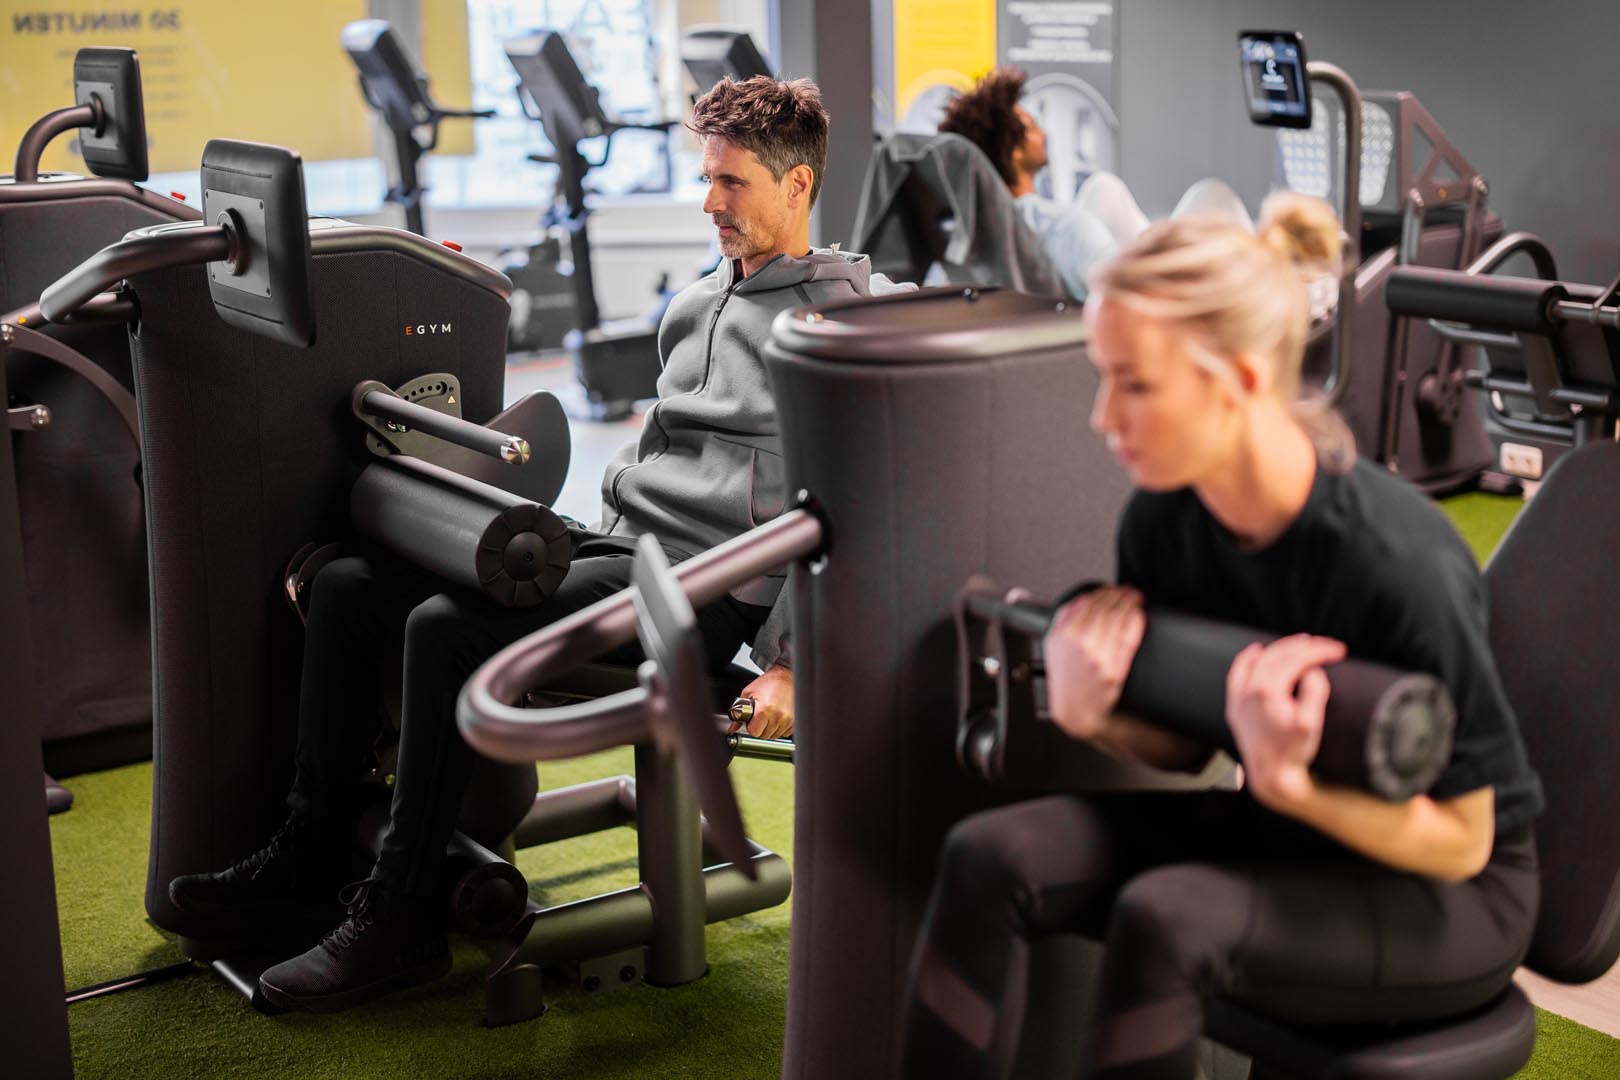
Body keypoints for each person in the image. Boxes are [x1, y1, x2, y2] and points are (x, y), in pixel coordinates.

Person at [168, 74, 910, 1014]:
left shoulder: (834, 325)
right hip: (620, 547)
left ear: (798, 187)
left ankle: (399, 922)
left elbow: (847, 505)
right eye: (708, 179)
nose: (710, 201)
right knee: (354, 583)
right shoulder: (698, 303)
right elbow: (658, 453)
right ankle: (311, 854)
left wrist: (794, 664)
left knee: (444, 628)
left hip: (698, 590)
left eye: (734, 183)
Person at [896, 194, 1543, 1079]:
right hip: (1286, 833)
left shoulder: (1399, 561)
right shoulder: (1164, 520)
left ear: (1238, 380)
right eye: (1102, 376)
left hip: (1452, 897)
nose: (1102, 417)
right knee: (989, 855)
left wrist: (1291, 788)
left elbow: (1467, 840)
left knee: (1169, 919)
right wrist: (1098, 715)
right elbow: (1180, 746)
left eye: (1135, 384)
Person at [939, 67, 1118, 300]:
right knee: (1105, 188)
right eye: (1032, 127)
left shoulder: (956, 249)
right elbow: (1131, 296)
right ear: (1014, 151)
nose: (1043, 134)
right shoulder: (1066, 227)